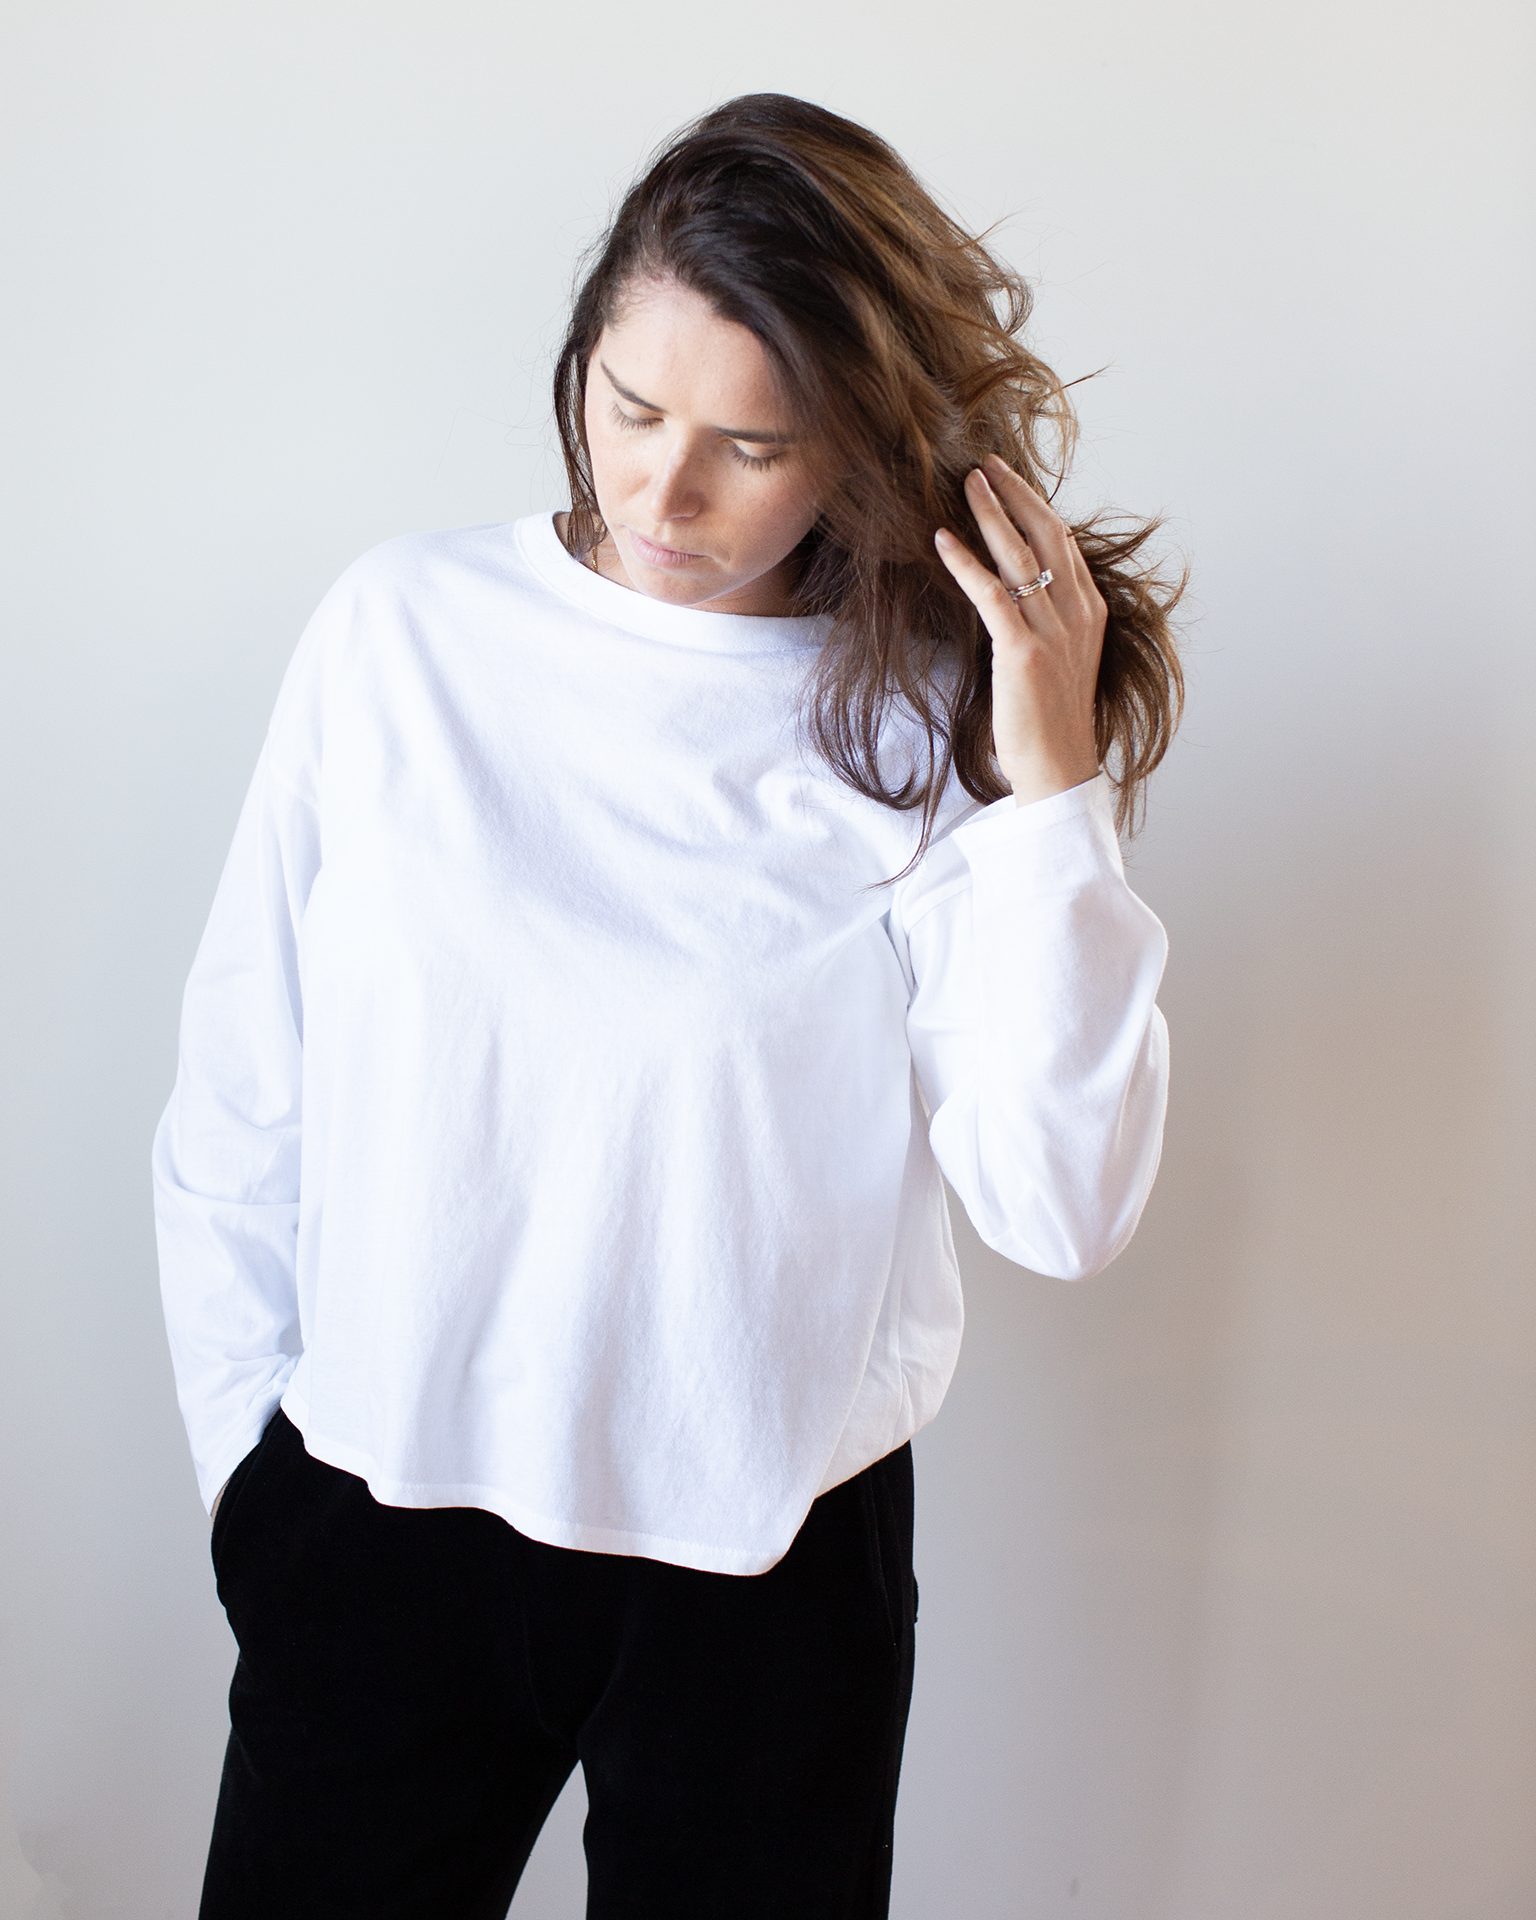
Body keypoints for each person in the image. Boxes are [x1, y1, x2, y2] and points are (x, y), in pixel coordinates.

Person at [153, 92, 1182, 1920]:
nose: (662, 493)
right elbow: (250, 1080)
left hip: (768, 1567)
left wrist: (1052, 794)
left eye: (749, 443)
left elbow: (1064, 1206)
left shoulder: (908, 723)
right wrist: (254, 1474)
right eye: (629, 408)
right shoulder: (401, 635)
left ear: (862, 448)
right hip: (386, 1506)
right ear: (582, 356)